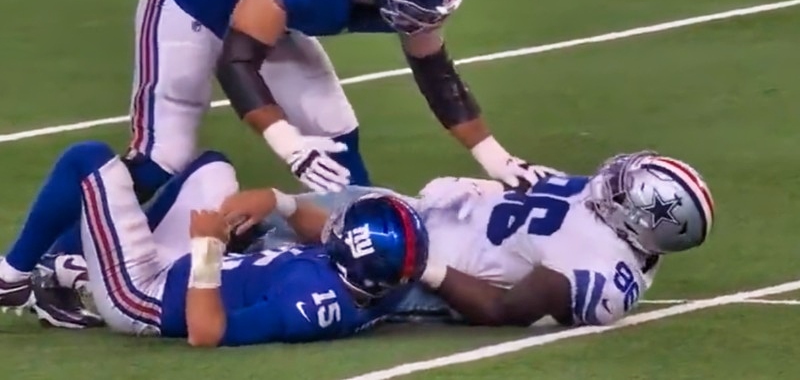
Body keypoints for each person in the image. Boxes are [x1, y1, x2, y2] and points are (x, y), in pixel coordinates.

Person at [123, 0, 544, 204]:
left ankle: (359, 236)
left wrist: (496, 159)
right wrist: (288, 144)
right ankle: (64, 254)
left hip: (271, 16)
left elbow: (436, 72)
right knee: (163, 158)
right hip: (191, 2)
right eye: (416, 9)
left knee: (334, 135)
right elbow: (237, 62)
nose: (425, 21)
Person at [0, 142, 428, 345]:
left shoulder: (307, 304)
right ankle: (84, 257)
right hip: (189, 267)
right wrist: (279, 201)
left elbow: (207, 332)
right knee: (211, 166)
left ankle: (12, 276)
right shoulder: (381, 278)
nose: (332, 230)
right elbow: (328, 240)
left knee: (87, 160)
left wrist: (207, 248)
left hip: (146, 295)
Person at [222, 150, 715, 326]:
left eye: (626, 189)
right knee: (257, 210)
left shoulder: (601, 273)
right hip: (414, 211)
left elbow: (504, 312)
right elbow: (529, 194)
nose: (612, 180)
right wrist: (483, 187)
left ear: (640, 221)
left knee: (264, 276)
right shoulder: (598, 207)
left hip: (413, 264)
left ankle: (179, 289)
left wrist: (418, 266)